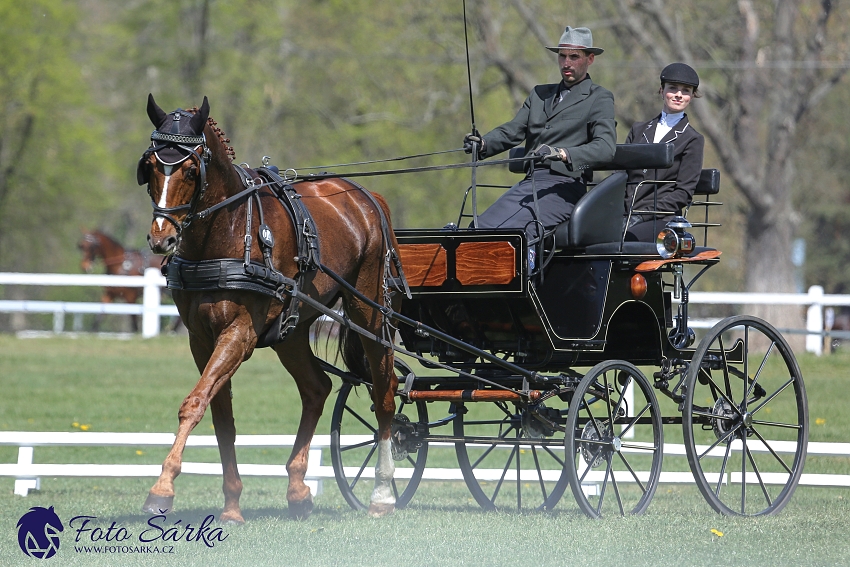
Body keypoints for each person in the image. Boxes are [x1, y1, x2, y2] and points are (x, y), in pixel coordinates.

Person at [462, 26, 616, 259]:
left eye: (574, 57)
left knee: (515, 235)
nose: (567, 62)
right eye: (562, 56)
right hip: (531, 183)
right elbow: (513, 130)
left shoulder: (599, 98)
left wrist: (564, 153)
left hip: (565, 186)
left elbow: (605, 147)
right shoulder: (539, 94)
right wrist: (483, 143)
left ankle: (524, 287)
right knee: (478, 230)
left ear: (590, 59)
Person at [623, 63, 705, 242]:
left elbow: (683, 192)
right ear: (661, 90)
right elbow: (620, 175)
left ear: (692, 96)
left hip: (660, 218)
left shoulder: (692, 139)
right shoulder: (638, 129)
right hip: (625, 212)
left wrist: (643, 215)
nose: (678, 95)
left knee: (625, 237)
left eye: (685, 91)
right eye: (673, 88)